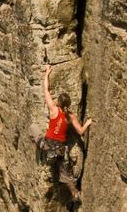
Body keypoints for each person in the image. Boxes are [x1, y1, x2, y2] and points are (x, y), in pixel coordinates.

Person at [36, 65, 93, 203]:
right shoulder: (71, 116)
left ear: (58, 102)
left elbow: (46, 90)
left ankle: (40, 149)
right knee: (66, 174)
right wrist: (87, 123)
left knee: (33, 129)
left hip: (48, 144)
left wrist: (47, 74)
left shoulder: (53, 109)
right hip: (60, 149)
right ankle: (75, 194)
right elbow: (80, 132)